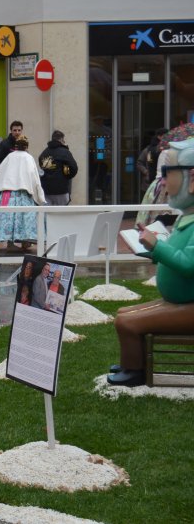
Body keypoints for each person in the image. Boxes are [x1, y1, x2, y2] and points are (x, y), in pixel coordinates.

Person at [109, 138, 194, 387]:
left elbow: (189, 265)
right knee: (124, 312)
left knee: (126, 322)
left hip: (190, 304)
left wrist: (157, 247)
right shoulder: (186, 218)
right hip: (182, 300)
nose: (163, 181)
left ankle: (134, 371)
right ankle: (132, 363)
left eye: (168, 173)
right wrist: (149, 248)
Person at [0, 135, 46, 249]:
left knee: (9, 218)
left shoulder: (10, 157)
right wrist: (40, 196)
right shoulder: (28, 158)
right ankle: (24, 243)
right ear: (26, 146)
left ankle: (10, 243)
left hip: (7, 195)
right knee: (24, 219)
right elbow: (34, 177)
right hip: (24, 194)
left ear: (15, 146)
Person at [38, 130, 78, 205]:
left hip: (46, 190)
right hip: (61, 190)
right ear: (61, 140)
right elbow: (74, 168)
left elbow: (42, 167)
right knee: (61, 214)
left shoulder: (44, 153)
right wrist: (67, 176)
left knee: (49, 214)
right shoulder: (65, 152)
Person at [136, 127, 168, 195]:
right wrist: (146, 172)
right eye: (165, 136)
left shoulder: (168, 149)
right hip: (150, 180)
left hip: (165, 180)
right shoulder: (149, 150)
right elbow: (139, 163)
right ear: (159, 136)